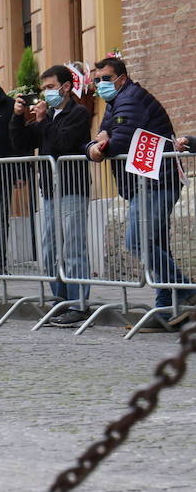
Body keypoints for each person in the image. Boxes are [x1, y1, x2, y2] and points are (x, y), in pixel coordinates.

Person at [85, 55, 193, 312]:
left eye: (106, 79)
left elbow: (117, 141)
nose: (101, 84)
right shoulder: (115, 102)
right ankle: (166, 309)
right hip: (144, 183)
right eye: (97, 80)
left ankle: (185, 289)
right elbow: (101, 136)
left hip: (156, 183)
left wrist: (100, 146)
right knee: (155, 244)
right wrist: (95, 145)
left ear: (121, 79)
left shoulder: (130, 99)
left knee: (138, 241)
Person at [11, 65, 92, 325]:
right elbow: (21, 142)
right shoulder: (47, 117)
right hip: (49, 190)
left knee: (73, 248)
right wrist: (17, 117)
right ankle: (60, 301)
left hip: (71, 188)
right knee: (49, 249)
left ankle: (78, 304)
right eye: (44, 88)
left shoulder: (78, 113)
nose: (46, 93)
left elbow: (64, 143)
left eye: (50, 87)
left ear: (66, 87)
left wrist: (44, 121)